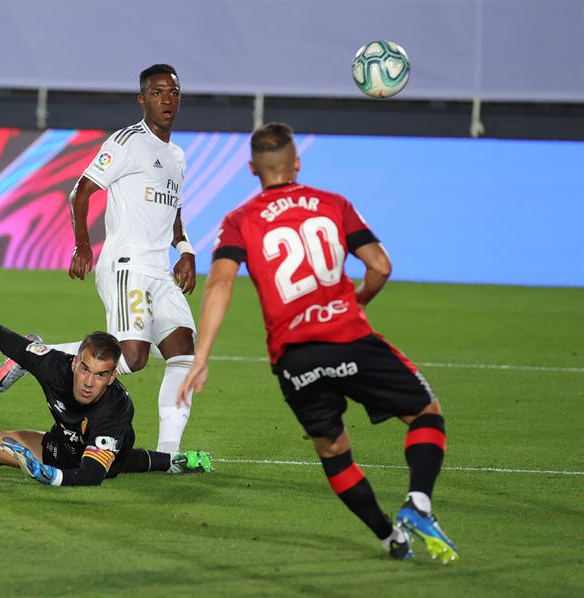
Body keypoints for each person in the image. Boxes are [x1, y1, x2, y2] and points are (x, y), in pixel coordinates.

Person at [177, 122, 459, 562]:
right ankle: (419, 503)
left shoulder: (239, 221)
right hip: (349, 337)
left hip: (295, 359)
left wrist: (202, 357)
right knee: (425, 411)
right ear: (297, 162)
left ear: (252, 168)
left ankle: (389, 537)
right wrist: (357, 299)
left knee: (333, 451)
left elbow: (220, 286)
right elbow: (381, 266)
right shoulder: (334, 204)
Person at [0, 64, 197, 455]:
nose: (166, 100)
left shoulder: (177, 156)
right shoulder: (126, 142)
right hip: (127, 264)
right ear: (142, 100)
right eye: (156, 93)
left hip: (159, 269)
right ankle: (37, 353)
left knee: (184, 353)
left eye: (172, 92)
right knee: (134, 357)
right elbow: (81, 192)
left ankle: (169, 454)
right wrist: (83, 245)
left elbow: (174, 212)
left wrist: (185, 248)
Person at [0, 312, 211, 485]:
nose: (89, 382)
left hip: (98, 459)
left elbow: (92, 474)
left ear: (112, 377)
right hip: (59, 445)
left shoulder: (115, 408)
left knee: (126, 462)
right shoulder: (54, 365)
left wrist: (51, 476)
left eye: (101, 375)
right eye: (85, 369)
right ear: (75, 360)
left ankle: (174, 461)